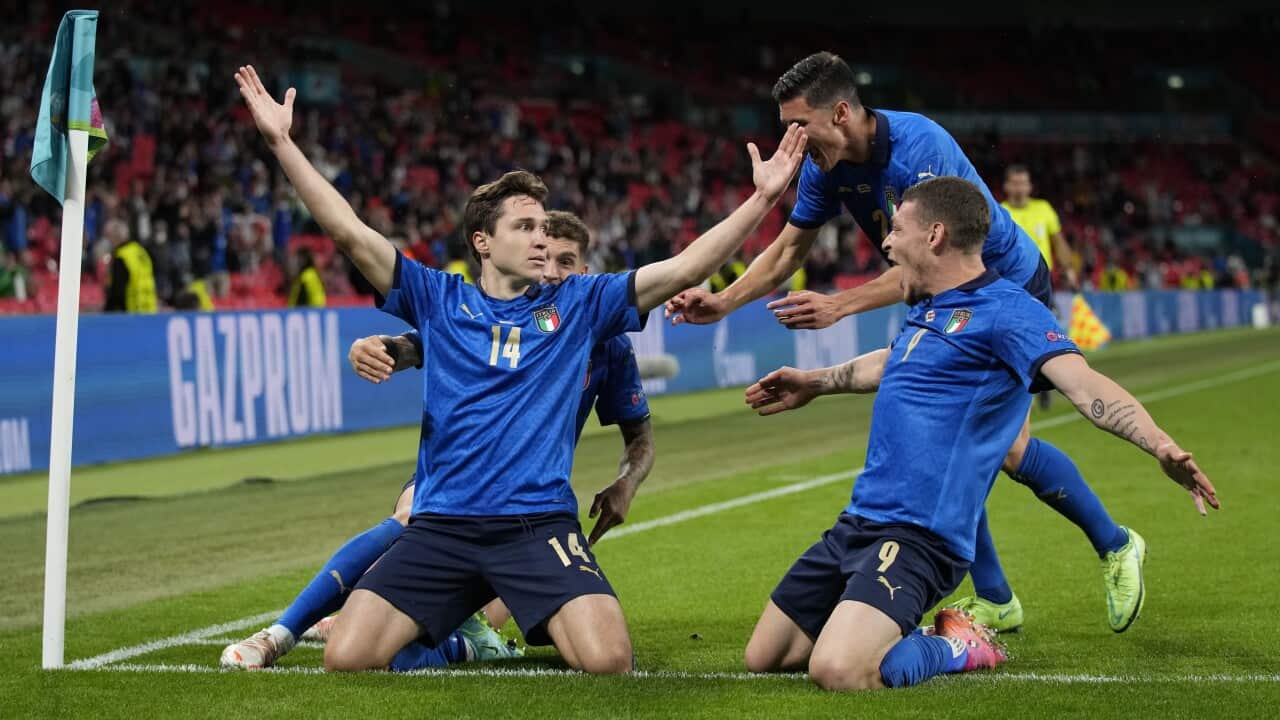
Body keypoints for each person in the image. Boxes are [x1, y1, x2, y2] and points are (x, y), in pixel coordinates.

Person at [234, 64, 807, 673]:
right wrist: (281, 142)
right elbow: (349, 233)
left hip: (537, 528)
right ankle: (447, 642)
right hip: (443, 526)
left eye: (543, 226)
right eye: (525, 227)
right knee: (347, 659)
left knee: (608, 660)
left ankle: (459, 636)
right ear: (483, 241)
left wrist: (764, 198)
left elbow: (687, 266)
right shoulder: (438, 298)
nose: (541, 239)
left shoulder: (580, 305)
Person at [665, 51, 1147, 634]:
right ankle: (996, 596)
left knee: (1003, 447)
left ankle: (1115, 544)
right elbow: (790, 251)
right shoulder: (825, 166)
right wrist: (723, 301)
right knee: (939, 448)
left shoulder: (920, 149)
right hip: (937, 296)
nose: (792, 141)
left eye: (800, 125)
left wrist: (841, 304)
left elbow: (933, 254)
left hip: (1002, 289)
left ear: (841, 112)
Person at [739, 177, 1218, 692]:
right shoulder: (926, 305)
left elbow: (1085, 386)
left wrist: (1159, 443)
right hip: (859, 521)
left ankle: (957, 644)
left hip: (920, 537)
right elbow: (892, 363)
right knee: (766, 656)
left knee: (837, 670)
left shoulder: (1009, 311)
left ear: (935, 235)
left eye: (897, 228)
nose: (886, 241)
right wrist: (814, 383)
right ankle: (879, 625)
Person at [221, 210, 657, 670]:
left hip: (530, 504)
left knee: (503, 617)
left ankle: (459, 642)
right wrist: (382, 348)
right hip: (456, 480)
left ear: (585, 273)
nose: (551, 272)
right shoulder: (494, 314)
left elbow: (640, 434)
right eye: (544, 257)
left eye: (565, 262)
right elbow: (418, 343)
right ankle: (281, 631)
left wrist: (625, 484)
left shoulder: (602, 336)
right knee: (410, 512)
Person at [1002, 164, 1075, 410]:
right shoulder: (1001, 212)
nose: (1020, 188)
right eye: (1016, 183)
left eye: (1024, 183)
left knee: (1045, 332)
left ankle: (1044, 384)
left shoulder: (1043, 209)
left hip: (1043, 283)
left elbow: (1058, 242)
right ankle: (1019, 387)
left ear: (1030, 186)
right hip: (1011, 283)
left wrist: (1069, 269)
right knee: (1014, 335)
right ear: (1007, 187)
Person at [103, 218, 158, 313]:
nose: (108, 241)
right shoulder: (141, 251)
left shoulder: (122, 256)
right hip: (149, 308)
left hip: (131, 311)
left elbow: (117, 290)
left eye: (109, 236)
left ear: (116, 236)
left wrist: (107, 311)